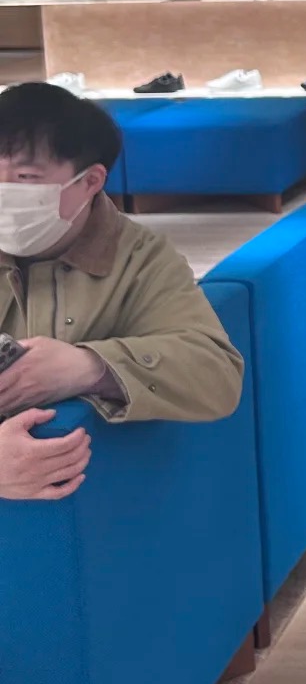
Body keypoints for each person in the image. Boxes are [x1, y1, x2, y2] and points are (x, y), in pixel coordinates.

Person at [0, 82, 244, 501]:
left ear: (90, 181)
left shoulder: (139, 260)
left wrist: (89, 367)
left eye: (25, 178)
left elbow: (216, 373)